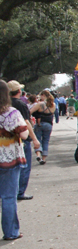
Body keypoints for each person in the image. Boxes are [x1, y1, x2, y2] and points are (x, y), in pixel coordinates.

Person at [0, 80, 29, 240]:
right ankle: (11, 232)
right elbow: (24, 134)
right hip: (9, 159)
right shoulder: (11, 113)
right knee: (8, 197)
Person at [8, 81, 39, 201]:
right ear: (19, 91)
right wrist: (35, 139)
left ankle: (11, 190)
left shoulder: (6, 104)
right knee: (24, 167)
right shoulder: (20, 104)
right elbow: (26, 123)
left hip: (7, 139)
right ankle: (20, 191)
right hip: (21, 138)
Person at [29, 91, 56, 164]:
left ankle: (38, 155)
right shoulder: (53, 105)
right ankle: (44, 158)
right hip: (49, 125)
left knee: (38, 140)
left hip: (39, 124)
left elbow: (29, 112)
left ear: (43, 95)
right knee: (46, 141)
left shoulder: (40, 104)